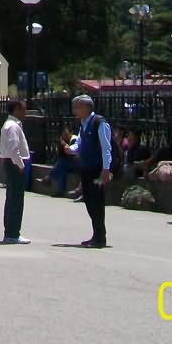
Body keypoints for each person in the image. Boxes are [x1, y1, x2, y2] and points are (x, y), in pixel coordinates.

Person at [71, 94, 112, 248]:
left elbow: (106, 147)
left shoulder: (99, 123)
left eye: (77, 107)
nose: (75, 111)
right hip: (86, 169)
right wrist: (72, 149)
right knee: (89, 201)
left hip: (97, 170)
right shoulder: (83, 124)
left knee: (97, 202)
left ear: (87, 107)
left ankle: (100, 238)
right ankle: (96, 234)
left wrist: (106, 169)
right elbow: (80, 144)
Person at [0, 99, 32, 244]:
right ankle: (12, 233)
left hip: (11, 163)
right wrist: (20, 164)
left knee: (13, 198)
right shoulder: (12, 126)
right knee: (16, 199)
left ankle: (11, 232)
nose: (26, 111)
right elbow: (13, 147)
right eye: (24, 108)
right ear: (17, 108)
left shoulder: (11, 124)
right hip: (14, 164)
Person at [43, 123, 79, 196]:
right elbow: (61, 155)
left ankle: (48, 178)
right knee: (62, 168)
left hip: (78, 164)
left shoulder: (74, 139)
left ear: (71, 133)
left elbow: (72, 154)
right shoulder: (63, 140)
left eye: (66, 134)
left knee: (62, 163)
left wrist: (64, 145)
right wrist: (61, 145)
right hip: (70, 164)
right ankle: (60, 191)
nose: (65, 135)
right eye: (63, 134)